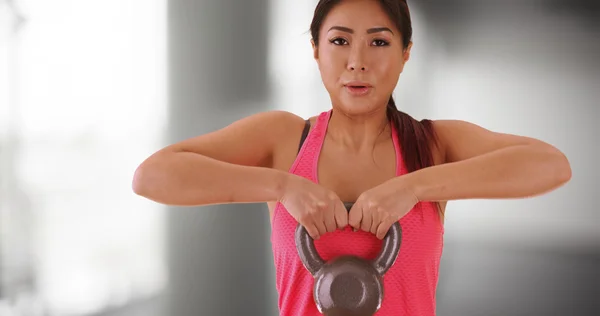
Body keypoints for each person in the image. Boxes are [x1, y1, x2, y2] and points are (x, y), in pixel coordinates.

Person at [131, 0, 572, 314]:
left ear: (404, 55)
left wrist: (412, 187)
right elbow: (152, 176)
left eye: (379, 43)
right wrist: (282, 185)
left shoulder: (433, 145)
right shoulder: (284, 139)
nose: (357, 62)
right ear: (317, 51)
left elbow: (551, 165)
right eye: (340, 41)